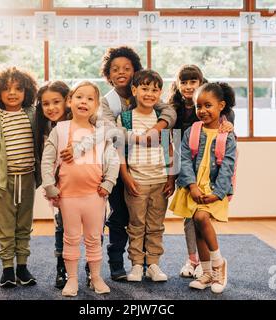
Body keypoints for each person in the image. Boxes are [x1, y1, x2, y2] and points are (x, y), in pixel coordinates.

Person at [99, 46, 177, 280]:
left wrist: (158, 128)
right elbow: (112, 134)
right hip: (122, 169)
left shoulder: (154, 102)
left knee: (152, 223)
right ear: (108, 74)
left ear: (135, 72)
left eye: (127, 68)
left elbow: (170, 119)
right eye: (115, 69)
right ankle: (119, 264)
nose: (121, 72)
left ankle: (150, 264)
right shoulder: (108, 103)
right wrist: (137, 138)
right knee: (122, 219)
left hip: (155, 175)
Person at [41, 81, 120, 297]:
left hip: (95, 196)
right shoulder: (61, 129)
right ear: (70, 101)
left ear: (96, 106)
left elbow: (112, 160)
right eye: (79, 97)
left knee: (94, 238)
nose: (83, 101)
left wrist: (109, 182)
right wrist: (49, 186)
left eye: (89, 99)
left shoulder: (100, 132)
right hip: (68, 197)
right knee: (71, 237)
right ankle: (72, 279)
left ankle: (95, 277)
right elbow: (47, 160)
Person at [169, 82, 237, 294]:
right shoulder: (192, 131)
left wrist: (218, 193)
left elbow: (228, 165)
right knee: (198, 226)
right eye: (199, 106)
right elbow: (185, 160)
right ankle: (206, 272)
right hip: (194, 188)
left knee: (200, 219)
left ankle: (218, 264)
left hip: (214, 190)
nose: (203, 111)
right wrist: (191, 185)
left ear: (221, 105)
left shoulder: (228, 135)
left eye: (208, 105)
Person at [0, 66, 39, 288]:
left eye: (18, 88)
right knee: (5, 227)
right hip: (3, 183)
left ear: (27, 91)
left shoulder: (32, 114)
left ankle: (22, 267)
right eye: (6, 88)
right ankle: (7, 270)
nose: (12, 93)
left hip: (28, 179)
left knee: (24, 225)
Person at [118, 69, 176, 282]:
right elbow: (119, 150)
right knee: (136, 224)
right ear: (134, 90)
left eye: (155, 89)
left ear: (160, 93)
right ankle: (135, 264)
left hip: (160, 180)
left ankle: (153, 264)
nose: (150, 93)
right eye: (144, 88)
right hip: (137, 181)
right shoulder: (125, 118)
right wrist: (126, 177)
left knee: (155, 225)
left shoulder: (162, 119)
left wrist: (171, 178)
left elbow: (170, 148)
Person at [35, 80, 71, 289]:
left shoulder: (81, 122)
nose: (51, 108)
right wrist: (50, 185)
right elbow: (46, 161)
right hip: (59, 187)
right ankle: (62, 268)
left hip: (86, 185)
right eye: (45, 104)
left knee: (93, 228)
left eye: (56, 101)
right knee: (61, 227)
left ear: (67, 100)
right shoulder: (45, 128)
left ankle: (90, 268)